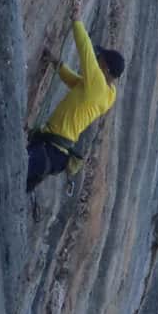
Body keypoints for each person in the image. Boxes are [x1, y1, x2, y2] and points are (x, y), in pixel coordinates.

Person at [26, 21, 125, 192]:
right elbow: (76, 82)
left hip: (50, 149)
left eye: (99, 59)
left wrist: (76, 19)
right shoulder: (109, 94)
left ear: (105, 69)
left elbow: (85, 48)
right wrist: (57, 64)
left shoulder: (99, 86)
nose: (96, 58)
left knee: (12, 172)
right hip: (54, 151)